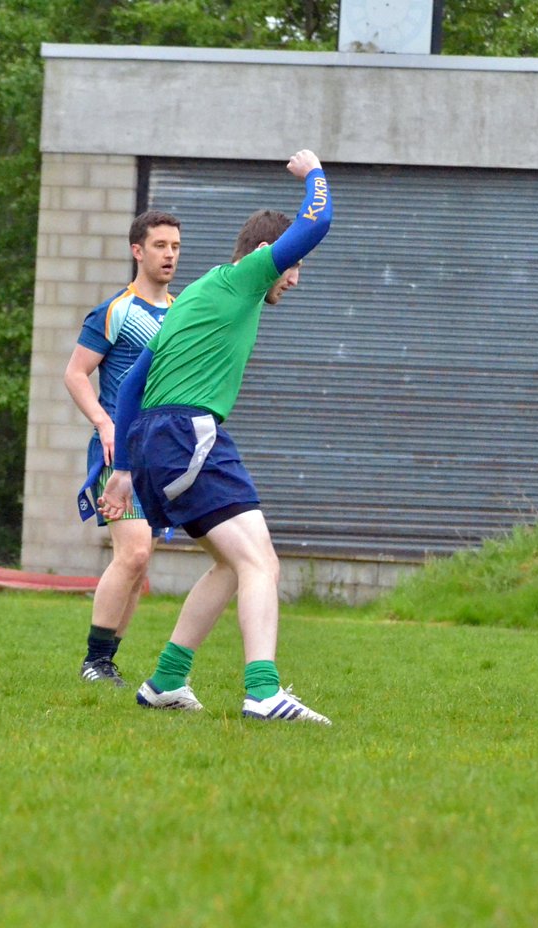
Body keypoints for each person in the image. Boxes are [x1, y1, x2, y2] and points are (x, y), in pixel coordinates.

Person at [99, 150, 333, 724]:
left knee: (232, 565)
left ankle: (166, 682)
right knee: (261, 564)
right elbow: (318, 222)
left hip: (156, 440)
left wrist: (125, 470)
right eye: (292, 265)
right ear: (264, 254)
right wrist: (314, 173)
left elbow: (130, 384)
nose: (295, 278)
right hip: (188, 432)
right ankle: (263, 692)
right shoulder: (246, 277)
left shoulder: (194, 297)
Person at [65, 210, 181, 687]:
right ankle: (93, 661)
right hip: (118, 453)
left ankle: (106, 661)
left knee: (141, 559)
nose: (170, 254)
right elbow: (75, 374)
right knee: (132, 553)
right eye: (160, 245)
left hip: (160, 454)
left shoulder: (182, 311)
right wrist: (104, 422)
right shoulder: (115, 311)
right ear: (138, 251)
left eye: (175, 246)